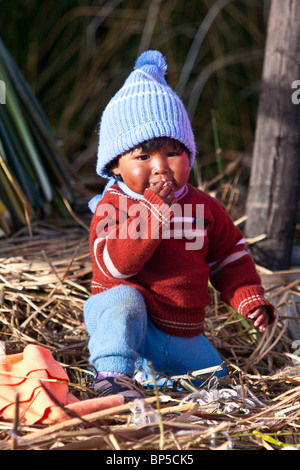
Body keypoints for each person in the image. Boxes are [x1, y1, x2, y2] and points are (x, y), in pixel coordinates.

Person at [84, 50, 276, 400]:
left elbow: (228, 257)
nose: (161, 167)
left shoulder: (203, 208)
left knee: (219, 384)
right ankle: (113, 374)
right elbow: (119, 264)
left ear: (189, 154)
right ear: (115, 165)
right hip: (131, 329)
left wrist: (249, 297)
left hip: (183, 331)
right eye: (143, 156)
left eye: (173, 153)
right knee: (123, 301)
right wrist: (154, 211)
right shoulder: (114, 206)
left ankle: (158, 384)